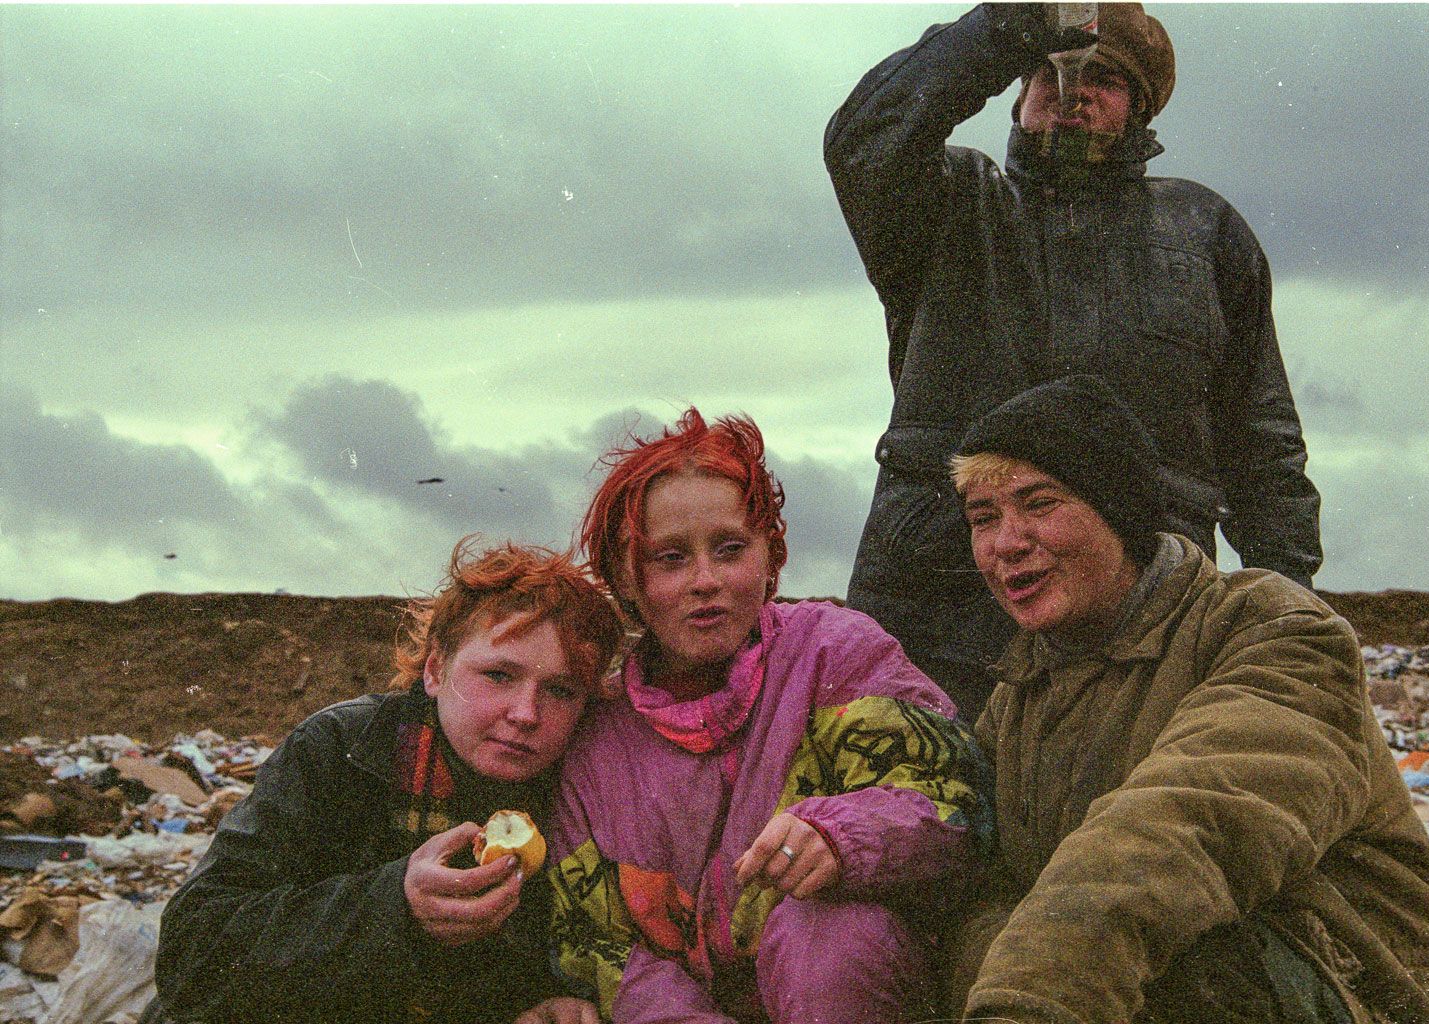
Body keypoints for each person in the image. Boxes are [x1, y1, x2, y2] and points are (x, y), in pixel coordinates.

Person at [826, 2, 1324, 719]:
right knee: (910, 818)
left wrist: (1286, 609)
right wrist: (1013, 24)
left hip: (1144, 629)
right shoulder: (946, 206)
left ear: (1143, 111)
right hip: (936, 617)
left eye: (1106, 79)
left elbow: (1263, 445)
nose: (1073, 92)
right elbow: (865, 137)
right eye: (1050, 74)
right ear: (1018, 92)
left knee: (1124, 829)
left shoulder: (1206, 232)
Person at [944, 375, 1429, 1024]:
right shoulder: (1020, 696)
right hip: (1124, 989)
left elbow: (1187, 824)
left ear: (1118, 508)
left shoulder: (1276, 631)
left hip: (1344, 998)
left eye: (1040, 503)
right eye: (983, 518)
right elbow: (992, 888)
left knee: (1187, 942)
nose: (1006, 543)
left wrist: (1024, 1004)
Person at [550, 408, 990, 1024]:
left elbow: (953, 797)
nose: (705, 580)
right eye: (670, 559)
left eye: (730, 550)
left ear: (770, 555)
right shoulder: (598, 742)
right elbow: (596, 940)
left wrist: (842, 835)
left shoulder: (833, 651)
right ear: (627, 579)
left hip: (846, 990)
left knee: (824, 935)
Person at [145, 538, 623, 1024]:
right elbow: (192, 957)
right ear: (436, 671)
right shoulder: (344, 749)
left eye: (561, 690)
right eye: (499, 675)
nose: (526, 713)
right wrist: (397, 906)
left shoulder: (587, 793)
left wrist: (545, 1002)